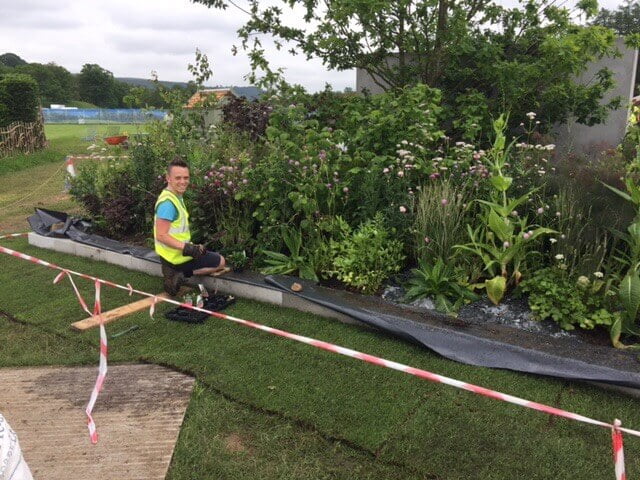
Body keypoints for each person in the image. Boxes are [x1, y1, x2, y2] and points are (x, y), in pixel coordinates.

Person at [154, 156, 226, 296]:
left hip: (170, 254)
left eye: (186, 178)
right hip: (178, 256)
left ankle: (173, 270)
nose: (183, 182)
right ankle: (181, 274)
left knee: (205, 252)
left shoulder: (173, 196)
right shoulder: (168, 204)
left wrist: (192, 246)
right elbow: (161, 235)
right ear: (168, 178)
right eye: (178, 178)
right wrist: (187, 248)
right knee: (221, 262)